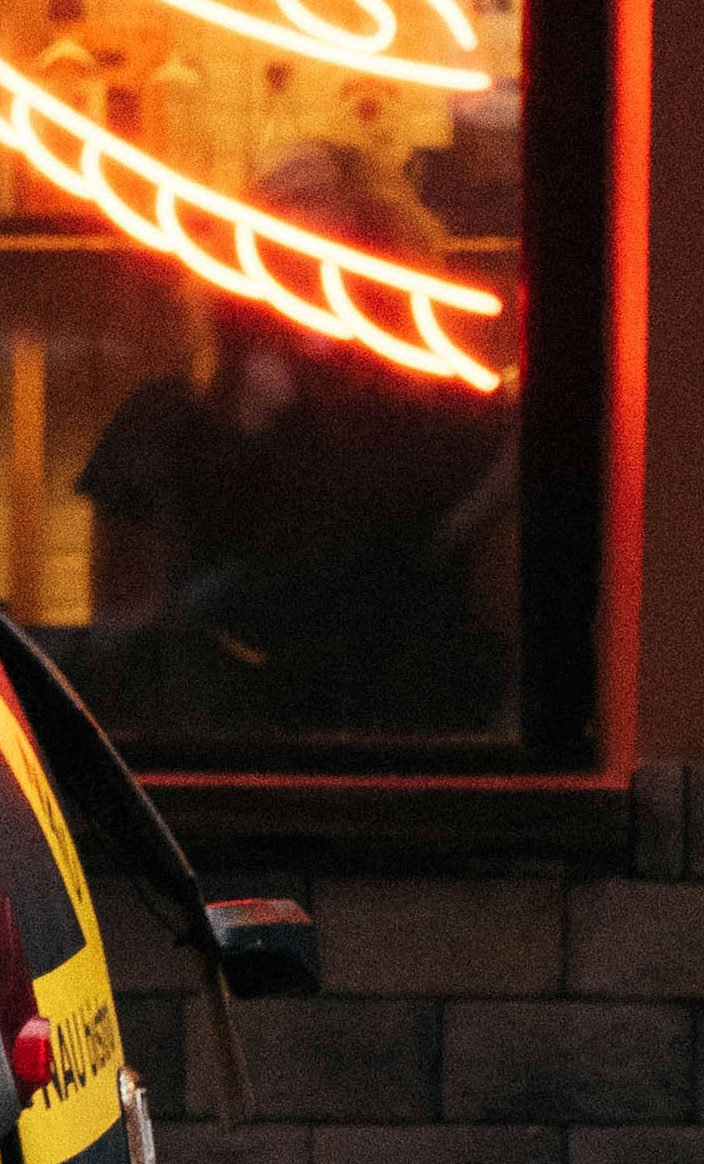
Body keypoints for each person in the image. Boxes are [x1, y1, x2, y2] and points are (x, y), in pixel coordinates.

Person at [66, 142, 514, 738]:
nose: (312, 311)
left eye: (343, 278)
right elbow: (124, 651)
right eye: (288, 271)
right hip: (219, 776)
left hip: (408, 772)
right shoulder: (161, 431)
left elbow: (501, 644)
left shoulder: (456, 434)